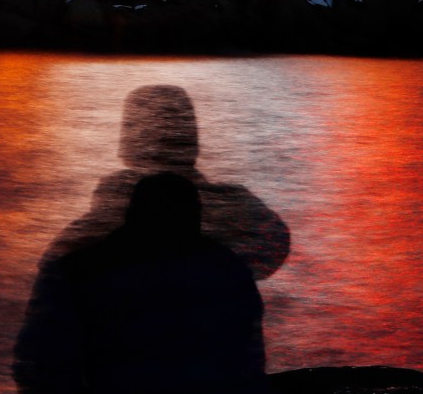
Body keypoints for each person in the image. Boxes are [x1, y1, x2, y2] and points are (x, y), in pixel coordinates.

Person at [14, 173, 284, 394]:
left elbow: (37, 375)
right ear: (196, 216)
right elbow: (274, 245)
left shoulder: (80, 273)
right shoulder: (229, 270)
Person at [41, 84, 290, 281]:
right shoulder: (232, 212)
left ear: (128, 142)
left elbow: (54, 268)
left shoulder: (111, 211)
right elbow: (273, 246)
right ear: (192, 139)